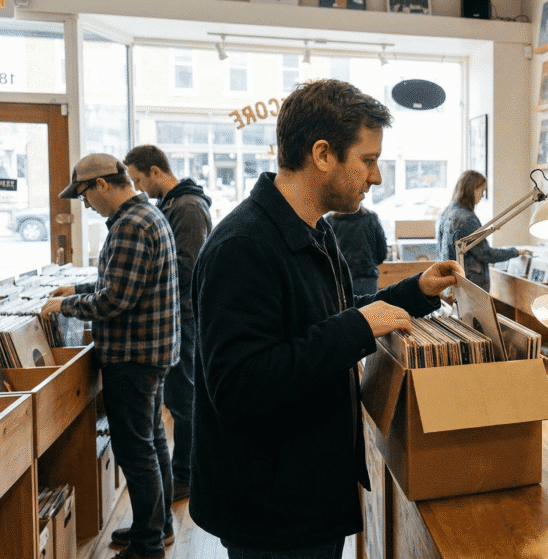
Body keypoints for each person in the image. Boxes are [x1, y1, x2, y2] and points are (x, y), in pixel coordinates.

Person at [188, 79, 462, 559]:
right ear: (322, 155)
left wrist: (415, 291)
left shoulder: (313, 229)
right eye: (368, 160)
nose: (375, 178)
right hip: (272, 511)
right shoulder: (243, 248)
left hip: (305, 491)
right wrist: (359, 327)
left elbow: (328, 317)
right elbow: (239, 384)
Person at [41, 153, 180, 559]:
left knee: (136, 450)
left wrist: (66, 307)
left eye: (85, 195)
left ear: (102, 184)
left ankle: (148, 544)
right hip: (148, 353)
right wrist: (75, 289)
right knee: (151, 443)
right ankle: (156, 526)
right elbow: (118, 279)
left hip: (133, 357)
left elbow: (116, 298)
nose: (85, 204)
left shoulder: (132, 224)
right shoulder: (144, 217)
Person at [124, 144, 213, 503]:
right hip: (179, 315)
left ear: (156, 171)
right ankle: (185, 473)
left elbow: (187, 269)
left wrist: (144, 280)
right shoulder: (174, 204)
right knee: (180, 398)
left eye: (139, 179)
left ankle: (187, 476)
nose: (139, 188)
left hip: (186, 316)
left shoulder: (188, 207)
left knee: (184, 399)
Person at [436, 170, 526, 291]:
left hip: (451, 283)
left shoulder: (447, 212)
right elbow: (485, 254)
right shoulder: (467, 219)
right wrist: (515, 252)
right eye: (481, 190)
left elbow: (440, 251)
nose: (482, 195)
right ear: (471, 189)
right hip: (470, 285)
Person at [323, 204, 388, 296]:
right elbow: (382, 253)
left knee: (344, 310)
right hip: (367, 278)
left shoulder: (329, 220)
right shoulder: (371, 217)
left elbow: (324, 254)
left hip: (340, 280)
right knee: (367, 309)